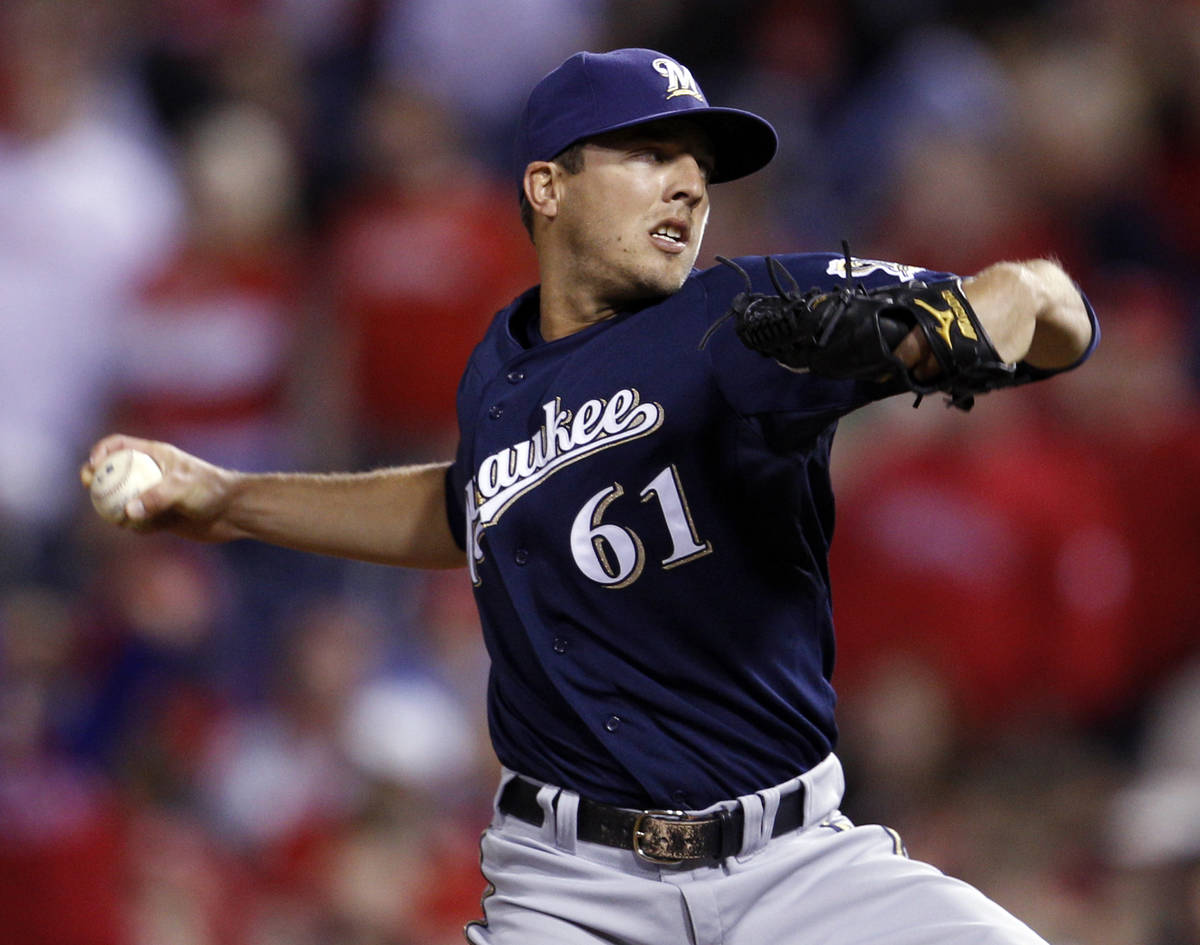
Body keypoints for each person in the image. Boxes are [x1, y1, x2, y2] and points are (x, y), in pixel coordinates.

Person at [82, 48, 1098, 945]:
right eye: (652, 155)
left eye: (701, 169)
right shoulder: (499, 368)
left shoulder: (742, 317)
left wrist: (977, 319)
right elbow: (465, 509)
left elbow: (1041, 306)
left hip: (794, 866)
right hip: (572, 889)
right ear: (547, 186)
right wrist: (228, 499)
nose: (689, 188)